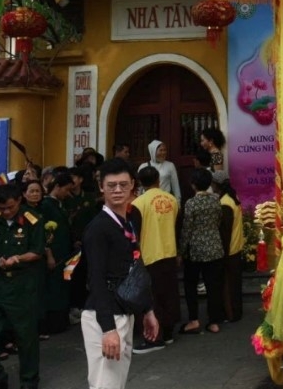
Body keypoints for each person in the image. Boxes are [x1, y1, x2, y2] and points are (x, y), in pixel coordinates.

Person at [81, 159, 158, 389]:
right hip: (103, 315)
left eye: (123, 185)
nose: (117, 190)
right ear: (101, 187)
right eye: (111, 185)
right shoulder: (97, 229)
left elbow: (136, 263)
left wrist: (147, 309)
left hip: (126, 310)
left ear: (133, 185)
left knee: (116, 383)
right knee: (105, 384)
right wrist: (108, 329)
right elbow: (95, 279)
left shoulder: (133, 218)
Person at [0, 183, 45, 389]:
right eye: (1, 208)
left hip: (22, 285)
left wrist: (17, 258)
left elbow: (37, 251)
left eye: (10, 207)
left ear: (19, 201)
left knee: (26, 337)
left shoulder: (33, 220)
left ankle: (29, 380)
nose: (6, 212)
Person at [131, 166, 179, 351]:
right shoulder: (172, 200)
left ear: (140, 182)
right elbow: (176, 226)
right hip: (169, 252)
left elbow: (134, 233)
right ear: (158, 179)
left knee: (153, 298)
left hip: (149, 255)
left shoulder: (138, 203)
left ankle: (154, 338)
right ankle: (167, 333)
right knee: (169, 295)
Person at [178, 168, 225, 335]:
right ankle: (214, 322)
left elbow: (187, 229)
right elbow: (219, 220)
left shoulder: (191, 203)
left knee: (190, 285)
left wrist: (181, 251)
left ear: (193, 185)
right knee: (213, 286)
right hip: (214, 247)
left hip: (195, 250)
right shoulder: (216, 200)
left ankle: (194, 320)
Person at [40, 172, 74, 335]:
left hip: (64, 253)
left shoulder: (60, 205)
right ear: (58, 187)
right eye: (66, 190)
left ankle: (61, 320)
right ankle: (52, 323)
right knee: (53, 290)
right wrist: (49, 254)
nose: (68, 194)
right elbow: (44, 234)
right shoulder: (46, 205)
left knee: (62, 287)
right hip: (53, 254)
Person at [210, 172, 245, 322]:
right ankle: (236, 312)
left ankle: (231, 314)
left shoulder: (225, 203)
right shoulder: (233, 198)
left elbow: (225, 230)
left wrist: (222, 252)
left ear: (216, 185)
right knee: (235, 284)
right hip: (236, 247)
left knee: (228, 286)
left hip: (229, 249)